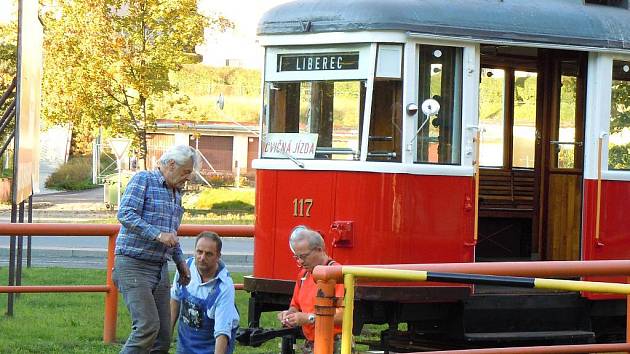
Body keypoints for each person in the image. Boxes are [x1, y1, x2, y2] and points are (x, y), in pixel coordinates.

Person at [112, 144, 196, 353]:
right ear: (170, 165)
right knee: (147, 327)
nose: (188, 177)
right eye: (186, 172)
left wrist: (180, 262)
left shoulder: (176, 194)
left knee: (163, 337)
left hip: (159, 268)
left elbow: (172, 235)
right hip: (133, 264)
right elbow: (125, 213)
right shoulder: (144, 179)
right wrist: (157, 235)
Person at [277, 225, 344, 354]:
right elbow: (295, 305)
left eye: (304, 256)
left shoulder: (337, 274)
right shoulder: (303, 274)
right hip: (312, 343)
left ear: (319, 250)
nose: (301, 261)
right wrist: (289, 314)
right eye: (297, 257)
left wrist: (309, 318)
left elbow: (343, 316)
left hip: (335, 344)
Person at [170, 231, 240, 354]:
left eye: (208, 254)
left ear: (218, 256)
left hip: (212, 346)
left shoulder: (224, 287)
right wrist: (165, 340)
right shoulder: (185, 268)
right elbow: (175, 300)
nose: (202, 258)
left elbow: (222, 333)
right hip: (185, 344)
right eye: (199, 252)